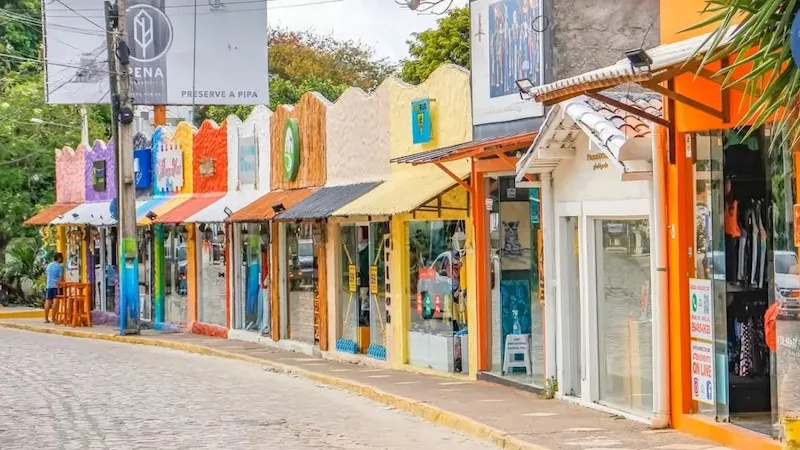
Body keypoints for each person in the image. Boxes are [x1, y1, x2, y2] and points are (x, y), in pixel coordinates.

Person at [44, 253, 64, 323]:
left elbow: (46, 276)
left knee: (48, 302)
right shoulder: (59, 267)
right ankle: (53, 318)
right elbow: (61, 278)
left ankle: (46, 319)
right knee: (55, 302)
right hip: (56, 286)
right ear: (58, 258)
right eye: (62, 258)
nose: (62, 259)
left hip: (49, 286)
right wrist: (63, 285)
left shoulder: (49, 265)